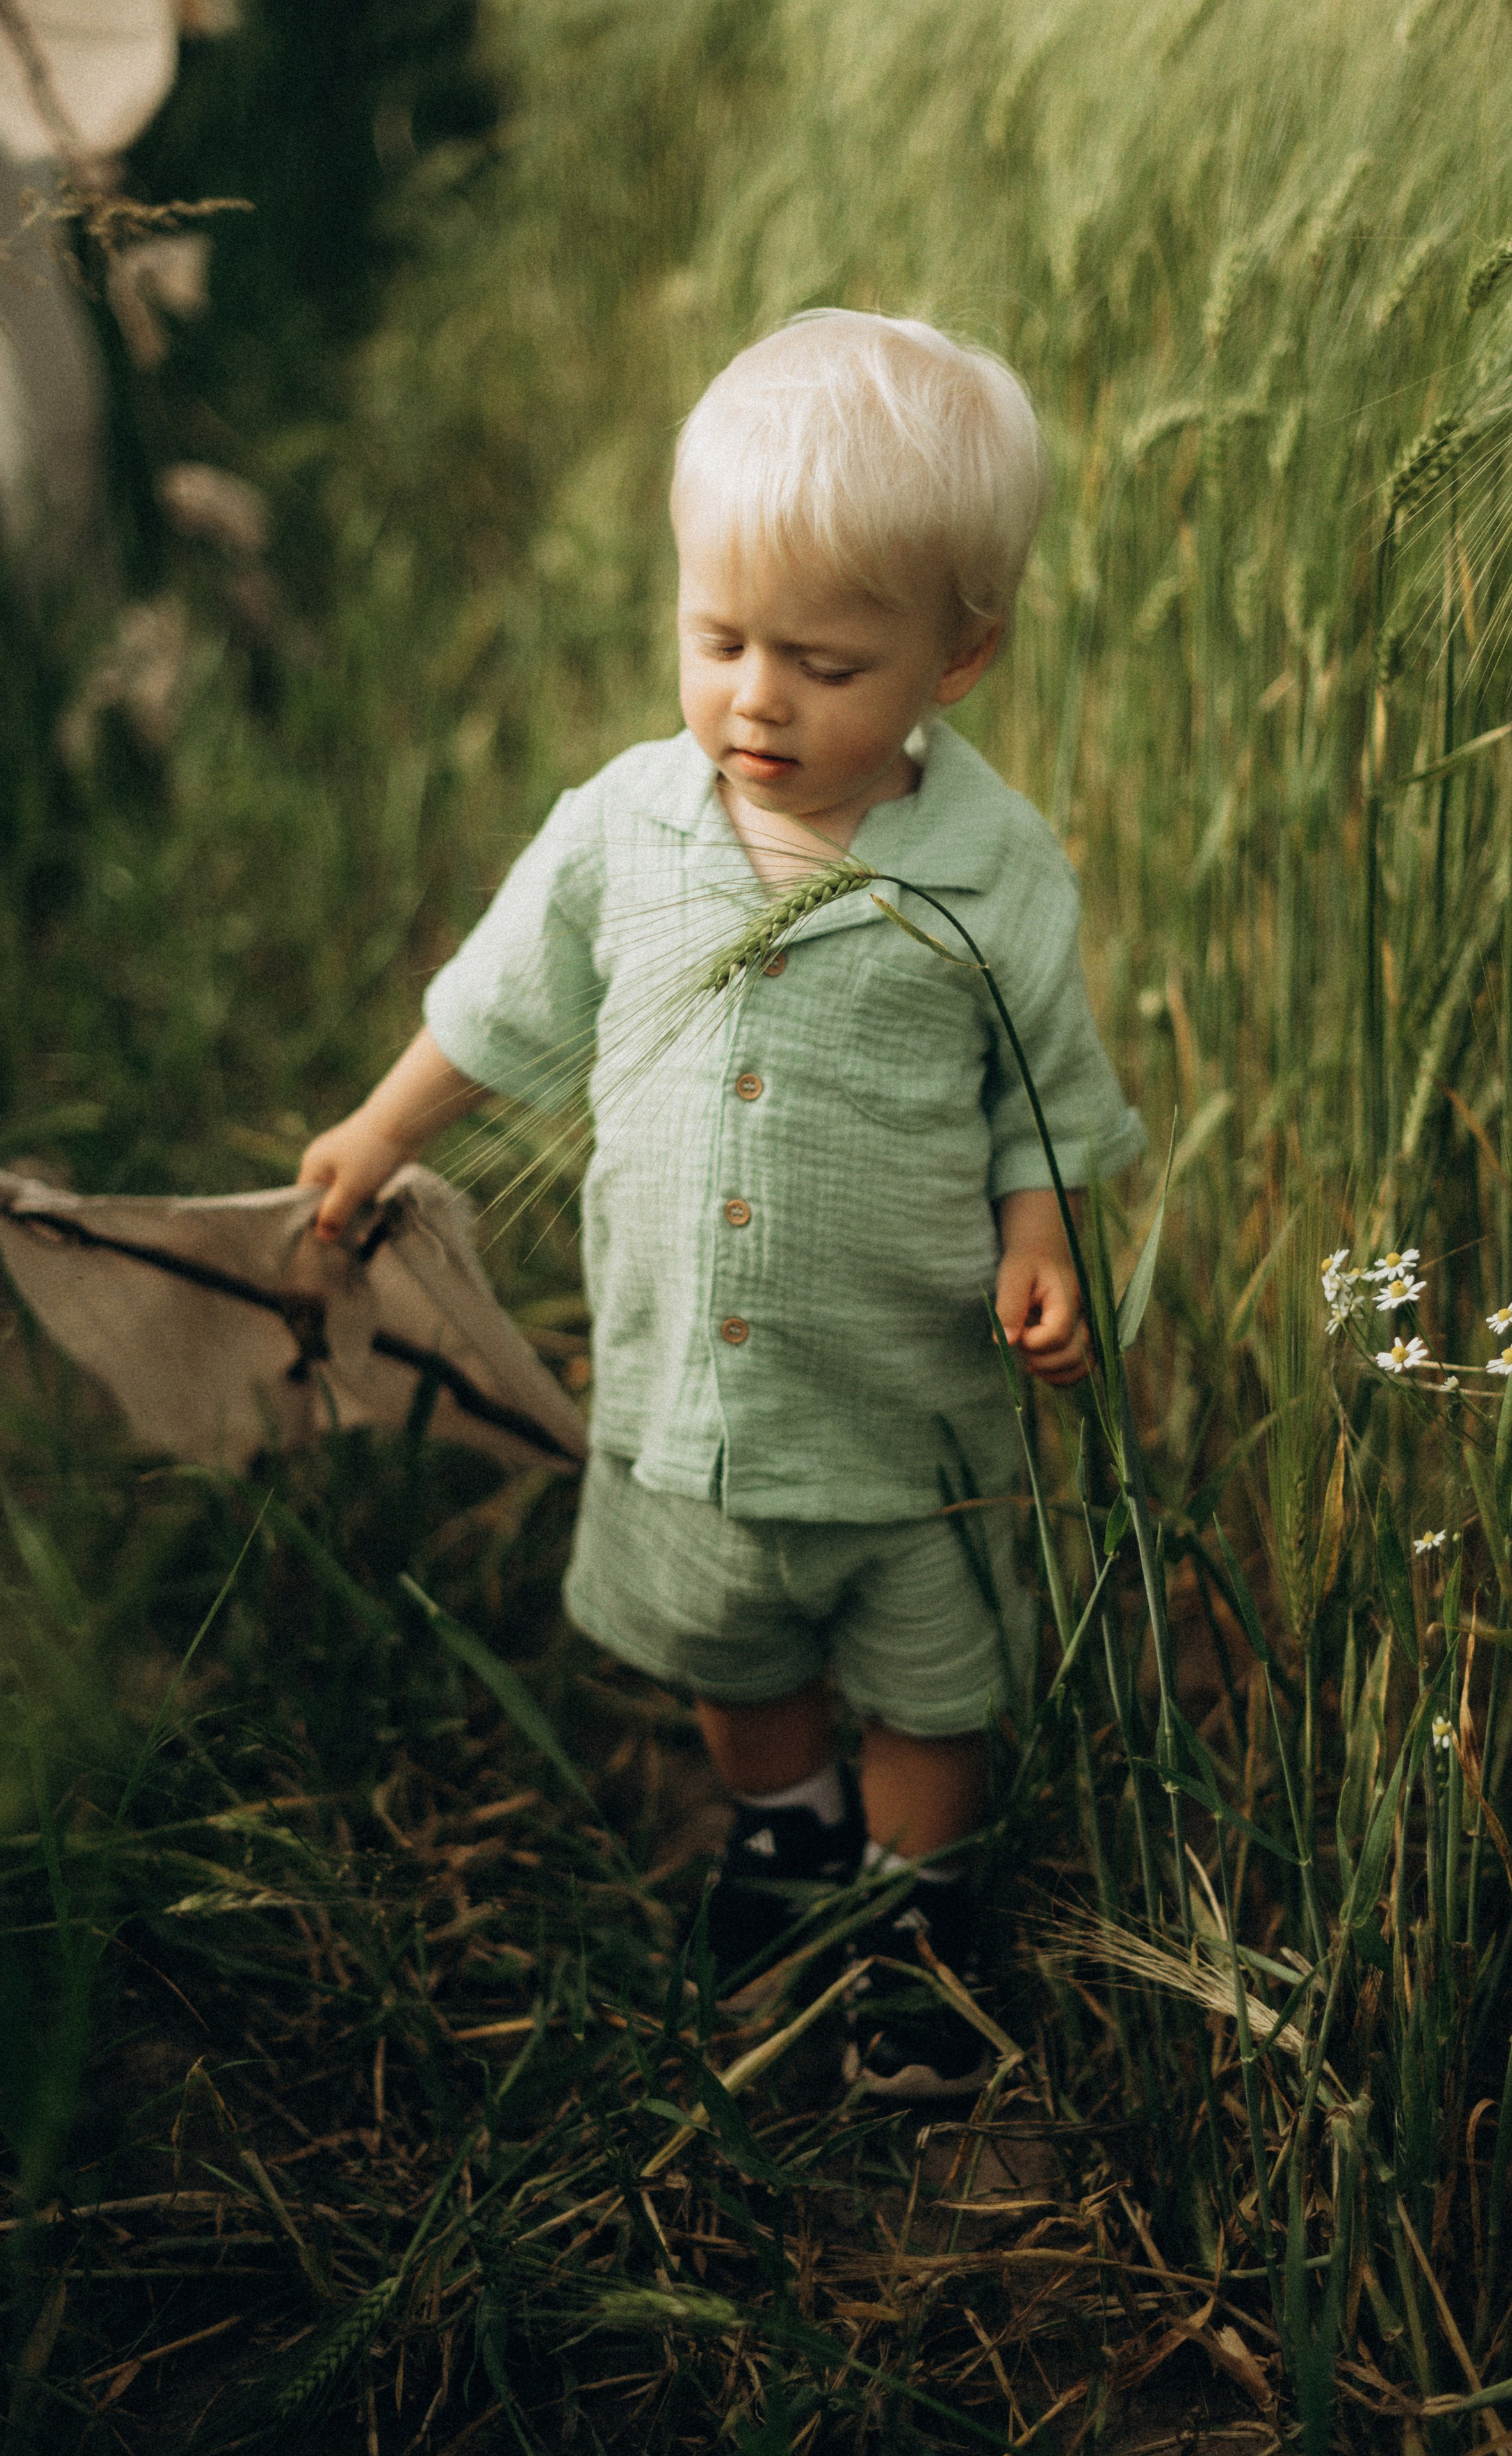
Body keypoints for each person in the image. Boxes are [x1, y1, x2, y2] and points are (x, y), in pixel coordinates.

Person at [298, 311, 1145, 2099]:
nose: (757, 696)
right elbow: (496, 999)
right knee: (728, 1644)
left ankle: (917, 1917)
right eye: (719, 640)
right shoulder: (626, 827)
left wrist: (1043, 1235)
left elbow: (1036, 1093)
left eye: (824, 662)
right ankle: (782, 1826)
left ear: (958, 654)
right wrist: (381, 1129)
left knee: (937, 1685)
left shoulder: (993, 873)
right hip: (688, 1389)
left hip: (904, 1402)